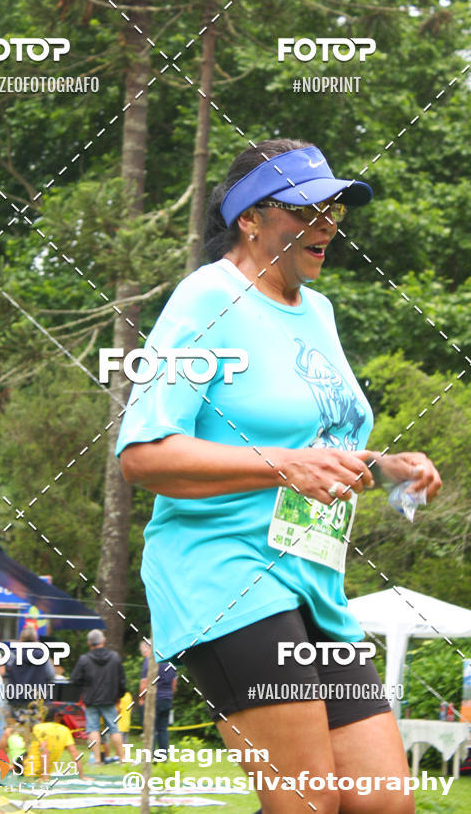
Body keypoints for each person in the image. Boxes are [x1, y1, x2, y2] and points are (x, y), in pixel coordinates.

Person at [116, 139, 442, 814]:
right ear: (250, 218)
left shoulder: (317, 311)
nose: (327, 224)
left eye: (333, 210)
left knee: (384, 803)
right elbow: (143, 455)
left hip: (314, 582)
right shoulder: (207, 298)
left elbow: (311, 447)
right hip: (227, 575)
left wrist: (386, 469)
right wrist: (284, 465)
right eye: (306, 209)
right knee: (309, 802)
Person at [69, 628, 126, 764]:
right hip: (109, 699)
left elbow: (74, 679)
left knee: (93, 729)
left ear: (89, 643)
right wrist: (118, 697)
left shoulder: (84, 659)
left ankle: (97, 760)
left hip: (91, 699)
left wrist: (83, 690)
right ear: (103, 641)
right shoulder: (114, 657)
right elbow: (121, 680)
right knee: (114, 729)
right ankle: (123, 759)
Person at [20, 704, 85, 780]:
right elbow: (74, 754)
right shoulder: (64, 730)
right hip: (38, 773)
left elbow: (44, 751)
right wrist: (82, 776)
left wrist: (45, 777)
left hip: (30, 772)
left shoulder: (39, 728)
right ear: (56, 716)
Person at [4, 625, 55, 707]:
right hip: (37, 697)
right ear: (36, 640)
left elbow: (6, 673)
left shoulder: (12, 655)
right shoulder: (43, 655)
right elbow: (50, 675)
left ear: (21, 639)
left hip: (16, 697)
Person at [139, 652, 176, 753]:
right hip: (167, 699)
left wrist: (141, 699)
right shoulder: (170, 661)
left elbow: (144, 682)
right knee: (163, 729)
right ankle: (163, 756)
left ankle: (149, 755)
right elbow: (174, 682)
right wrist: (169, 695)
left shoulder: (150, 660)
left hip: (153, 699)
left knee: (151, 729)